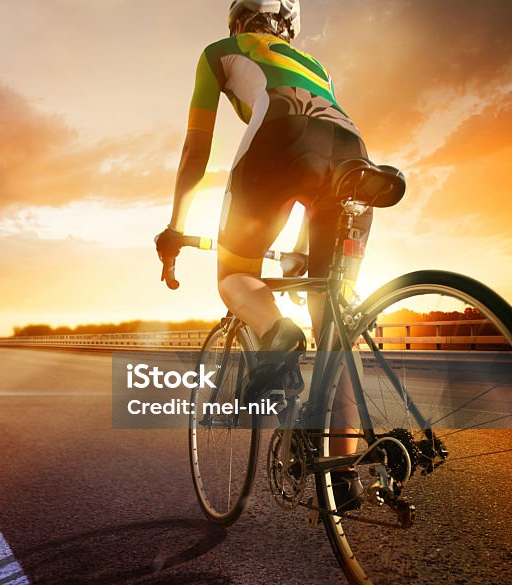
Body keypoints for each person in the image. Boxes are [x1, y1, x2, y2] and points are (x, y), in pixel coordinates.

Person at [154, 0, 369, 511]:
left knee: (233, 276)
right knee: (334, 319)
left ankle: (277, 333)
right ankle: (343, 472)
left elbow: (195, 151)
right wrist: (298, 251)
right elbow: (318, 163)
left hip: (279, 140)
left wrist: (175, 229)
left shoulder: (219, 52)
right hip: (354, 153)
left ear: (238, 22)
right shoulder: (317, 68)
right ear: (287, 27)